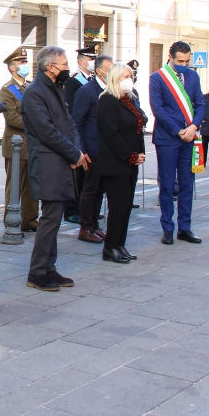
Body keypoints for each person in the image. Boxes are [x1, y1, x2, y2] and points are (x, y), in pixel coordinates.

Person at [23, 45, 87, 291]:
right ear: (51, 67)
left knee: (56, 217)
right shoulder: (35, 92)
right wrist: (73, 153)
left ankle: (49, 267)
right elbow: (46, 131)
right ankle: (37, 271)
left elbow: (70, 124)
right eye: (65, 64)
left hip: (61, 160)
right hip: (48, 162)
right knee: (50, 218)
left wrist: (77, 151)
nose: (68, 68)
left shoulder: (56, 87)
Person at [149, 41, 204, 245]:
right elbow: (158, 109)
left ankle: (185, 228)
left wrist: (194, 126)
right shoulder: (157, 78)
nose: (184, 65)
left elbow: (200, 104)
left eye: (187, 61)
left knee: (187, 184)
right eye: (180, 61)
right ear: (170, 57)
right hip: (167, 138)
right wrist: (178, 130)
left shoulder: (193, 76)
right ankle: (167, 228)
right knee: (167, 184)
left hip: (190, 137)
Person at [97, 63, 146, 263]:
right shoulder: (107, 100)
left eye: (130, 76)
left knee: (126, 206)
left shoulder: (130, 99)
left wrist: (139, 153)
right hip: (116, 161)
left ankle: (119, 244)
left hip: (131, 161)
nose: (129, 80)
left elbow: (138, 128)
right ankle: (110, 247)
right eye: (125, 76)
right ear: (115, 78)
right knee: (118, 206)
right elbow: (111, 134)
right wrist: (130, 155)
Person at [72, 54, 113, 243]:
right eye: (109, 69)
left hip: (106, 149)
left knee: (100, 189)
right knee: (90, 188)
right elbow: (77, 122)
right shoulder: (87, 91)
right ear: (98, 71)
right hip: (91, 149)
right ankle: (85, 227)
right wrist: (82, 150)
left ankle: (95, 224)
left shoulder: (110, 90)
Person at [0, 48, 38, 231]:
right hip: (16, 145)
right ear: (12, 67)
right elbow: (12, 118)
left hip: (32, 145)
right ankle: (11, 222)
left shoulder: (30, 87)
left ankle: (29, 221)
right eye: (22, 63)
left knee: (31, 186)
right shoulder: (7, 90)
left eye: (25, 62)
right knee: (14, 187)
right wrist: (38, 123)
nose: (25, 65)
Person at [63, 46, 97, 224]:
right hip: (76, 131)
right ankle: (71, 210)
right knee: (76, 174)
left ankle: (85, 209)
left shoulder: (92, 80)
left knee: (87, 176)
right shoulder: (73, 82)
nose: (93, 62)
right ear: (81, 61)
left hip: (89, 131)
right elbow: (73, 109)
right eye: (90, 59)